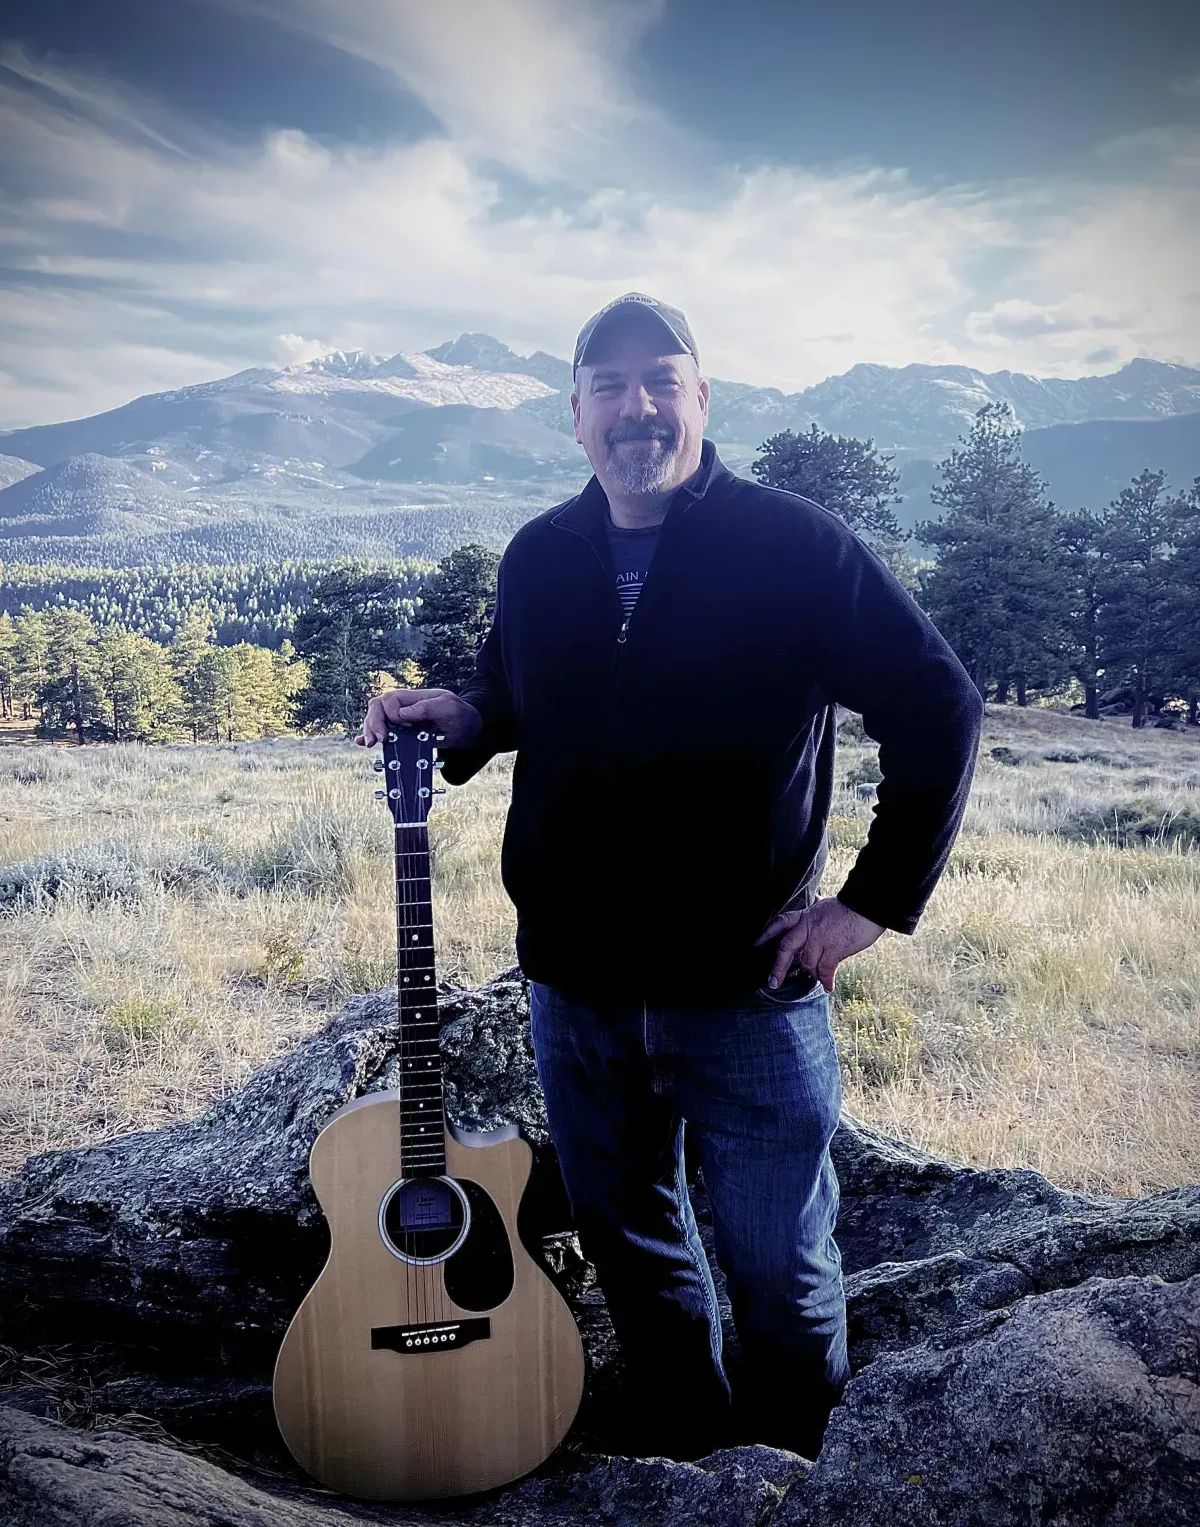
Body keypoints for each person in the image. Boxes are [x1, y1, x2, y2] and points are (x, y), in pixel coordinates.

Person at [359, 294, 983, 1460]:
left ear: (702, 398)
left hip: (743, 987)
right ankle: (688, 1459)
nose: (636, 407)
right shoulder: (540, 555)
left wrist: (869, 904)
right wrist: (466, 712)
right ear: (576, 413)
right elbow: (516, 685)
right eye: (610, 385)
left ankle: (796, 1467)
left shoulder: (793, 547)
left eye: (661, 380)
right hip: (575, 985)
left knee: (778, 1266)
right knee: (631, 1246)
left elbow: (938, 702)